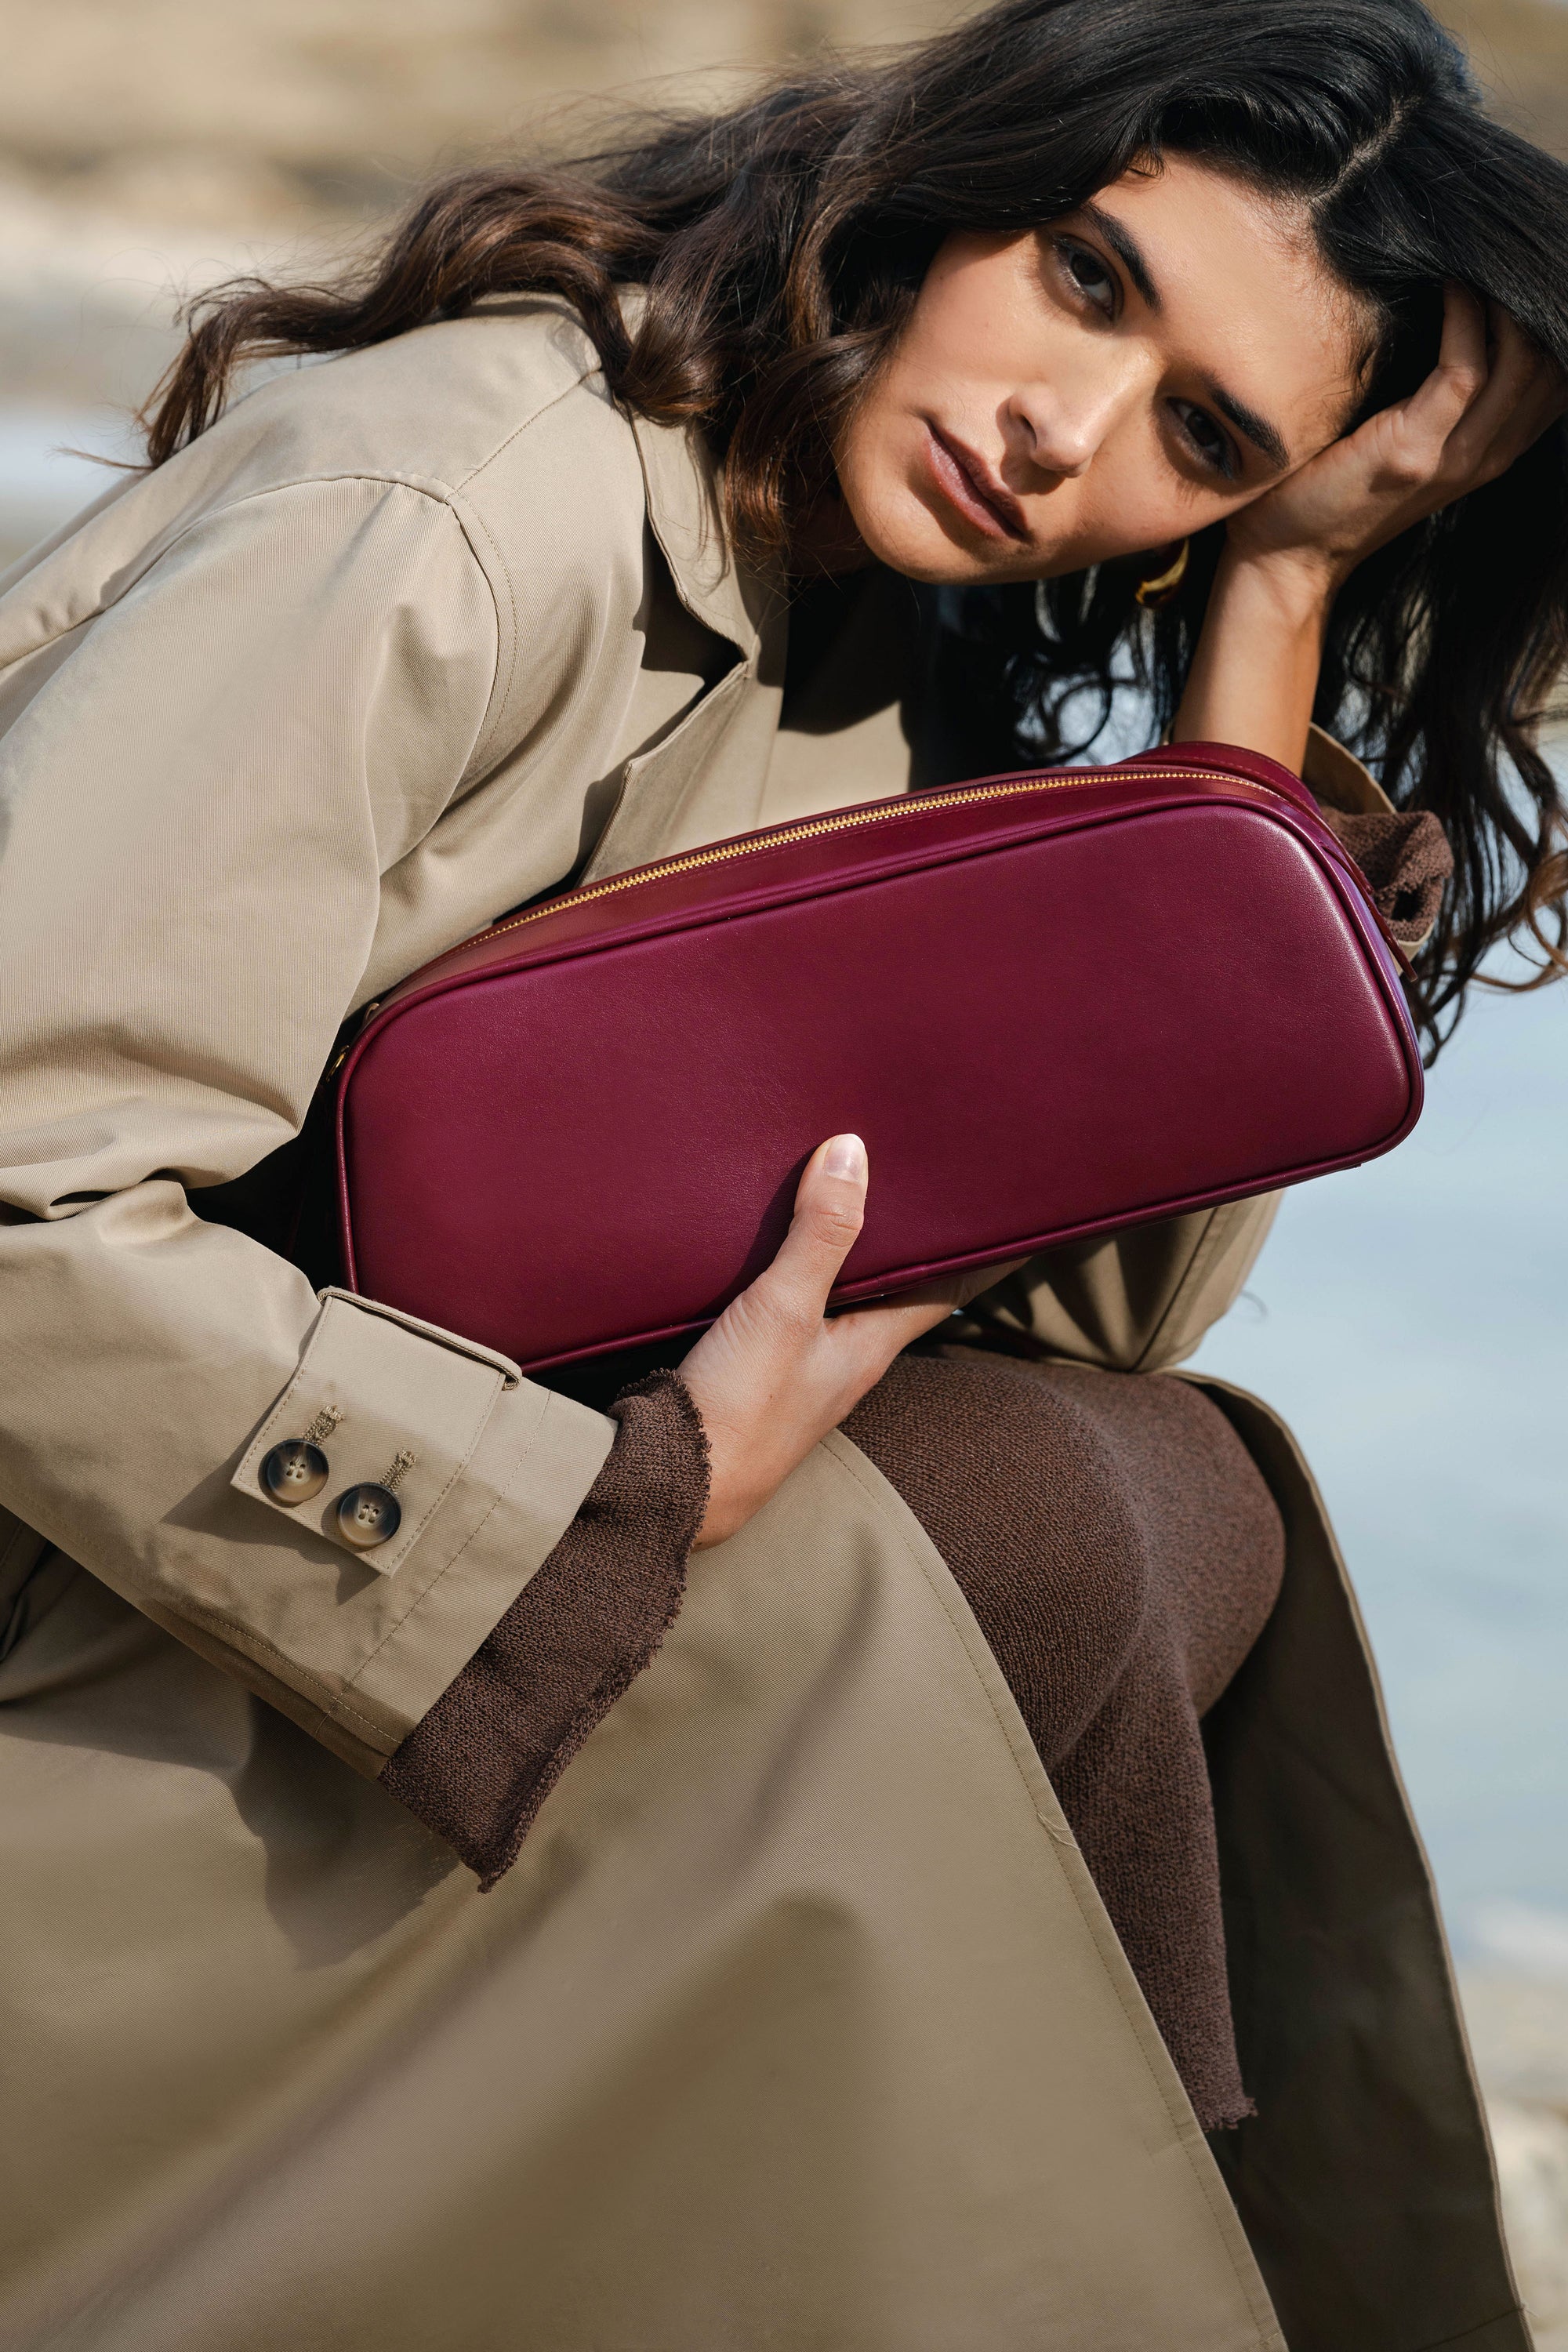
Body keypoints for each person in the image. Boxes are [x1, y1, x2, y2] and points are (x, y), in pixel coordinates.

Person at [1, 0, 1565, 2342]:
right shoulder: (460, 501)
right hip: (87, 1608)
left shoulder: (888, 642)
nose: (1068, 433)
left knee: (1156, 1482)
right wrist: (604, 1506)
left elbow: (1100, 1307)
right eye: (1092, 281)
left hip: (288, 1589)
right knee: (1021, 1536)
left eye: (1204, 438)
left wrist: (1271, 612)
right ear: (969, 186)